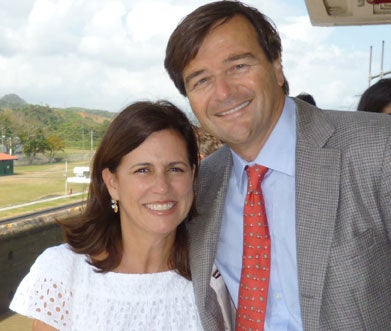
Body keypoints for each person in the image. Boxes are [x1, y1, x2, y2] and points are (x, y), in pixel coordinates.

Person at [164, 1, 391, 330]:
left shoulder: (378, 147)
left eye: (239, 66)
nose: (224, 92)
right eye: (200, 81)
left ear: (276, 66)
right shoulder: (202, 186)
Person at [9, 100, 206, 330]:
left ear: (192, 176)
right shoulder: (63, 273)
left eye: (175, 169)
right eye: (143, 170)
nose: (162, 187)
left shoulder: (214, 276)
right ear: (112, 183)